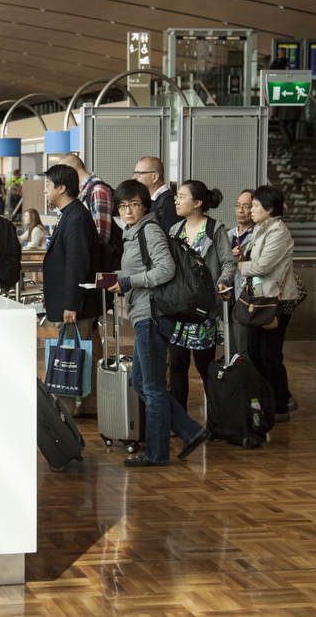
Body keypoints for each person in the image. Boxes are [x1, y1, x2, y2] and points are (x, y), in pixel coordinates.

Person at [106, 179, 209, 467]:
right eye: (122, 206)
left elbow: (166, 269)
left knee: (150, 386)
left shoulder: (149, 230)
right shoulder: (133, 233)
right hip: (143, 314)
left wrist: (128, 281)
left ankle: (156, 453)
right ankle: (192, 431)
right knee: (142, 382)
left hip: (153, 314)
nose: (127, 211)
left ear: (144, 205)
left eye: (134, 204)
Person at [166, 181, 236, 412]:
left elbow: (228, 262)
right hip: (179, 308)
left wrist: (222, 282)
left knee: (205, 365)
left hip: (204, 310)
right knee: (177, 365)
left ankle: (218, 417)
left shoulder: (214, 229)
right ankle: (180, 420)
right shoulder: (174, 231)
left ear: (197, 203)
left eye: (182, 196)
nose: (176, 200)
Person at [234, 185, 300, 421]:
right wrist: (243, 260)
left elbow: (262, 266)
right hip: (259, 297)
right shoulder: (261, 228)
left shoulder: (278, 232)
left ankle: (281, 405)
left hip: (276, 300)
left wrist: (241, 266)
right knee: (255, 352)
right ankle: (266, 401)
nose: (250, 209)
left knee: (270, 355)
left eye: (255, 205)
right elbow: (256, 263)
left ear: (270, 209)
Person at [42, 164, 101, 415]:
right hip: (72, 302)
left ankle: (63, 413)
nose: (45, 190)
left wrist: (71, 304)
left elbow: (77, 264)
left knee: (69, 356)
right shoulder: (70, 213)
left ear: (61, 187)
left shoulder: (76, 216)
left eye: (47, 185)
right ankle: (90, 405)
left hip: (74, 305)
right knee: (83, 355)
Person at [59, 153, 112, 244]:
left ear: (70, 171)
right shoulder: (80, 191)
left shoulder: (97, 190)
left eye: (61, 173)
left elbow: (101, 235)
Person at [228, 189, 255, 355]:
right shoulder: (229, 234)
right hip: (229, 299)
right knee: (231, 348)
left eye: (246, 206)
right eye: (238, 206)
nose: (240, 210)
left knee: (244, 350)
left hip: (247, 300)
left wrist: (242, 261)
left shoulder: (257, 235)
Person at [132, 156, 178, 232]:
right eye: (135, 173)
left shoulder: (169, 203)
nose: (134, 178)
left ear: (155, 177)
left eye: (139, 174)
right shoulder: (148, 200)